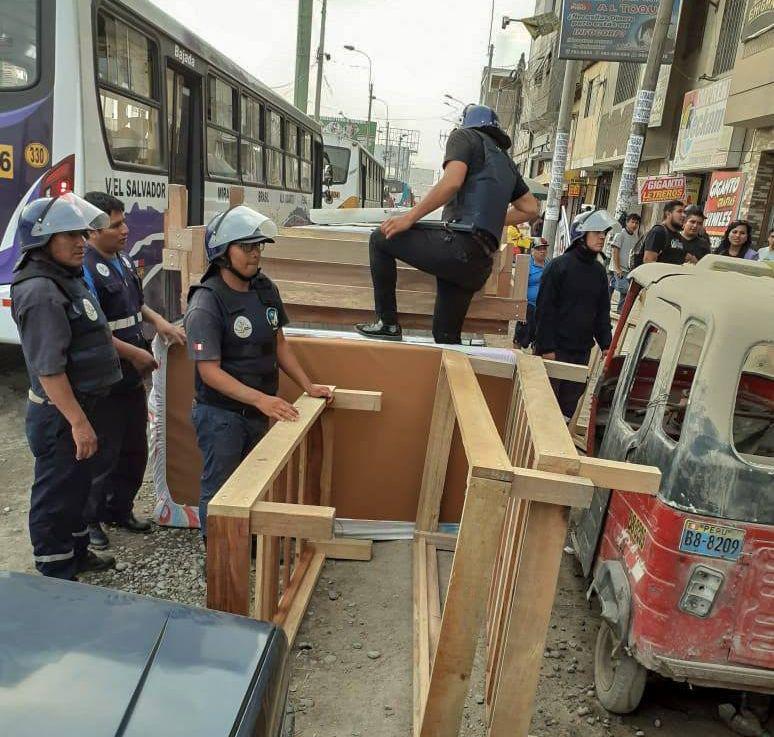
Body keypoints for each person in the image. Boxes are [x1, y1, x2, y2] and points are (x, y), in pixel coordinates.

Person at [184, 206, 333, 538]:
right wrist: (262, 400)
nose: (255, 255)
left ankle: (247, 546)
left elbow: (279, 345)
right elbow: (209, 372)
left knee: (253, 486)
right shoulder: (206, 303)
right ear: (223, 252)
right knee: (222, 490)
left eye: (259, 247)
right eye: (247, 247)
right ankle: (218, 561)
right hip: (220, 414)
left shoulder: (264, 288)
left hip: (255, 409)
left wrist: (308, 385)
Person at [355, 104, 539, 344]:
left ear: (466, 123)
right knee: (445, 337)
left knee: (380, 238)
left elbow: (452, 182)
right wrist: (490, 217)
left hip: (457, 246)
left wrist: (409, 217)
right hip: (478, 263)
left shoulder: (464, 136)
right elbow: (531, 208)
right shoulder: (506, 161)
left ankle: (387, 323)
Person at [10, 193, 121, 579]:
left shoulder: (65, 278)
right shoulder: (41, 291)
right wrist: (77, 422)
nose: (81, 242)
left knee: (77, 487)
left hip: (82, 405)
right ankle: (55, 573)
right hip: (60, 415)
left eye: (81, 233)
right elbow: (49, 369)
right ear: (42, 241)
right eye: (68, 235)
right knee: (56, 492)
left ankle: (75, 553)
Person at [80, 192, 186, 549]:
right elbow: (92, 332)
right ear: (92, 231)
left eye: (124, 221)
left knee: (134, 447)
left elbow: (137, 305)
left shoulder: (122, 261)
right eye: (116, 225)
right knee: (104, 451)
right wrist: (135, 355)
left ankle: (118, 508)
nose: (125, 230)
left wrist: (161, 323)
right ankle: (90, 519)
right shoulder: (86, 271)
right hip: (106, 378)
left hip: (130, 376)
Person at [534, 210, 616, 420]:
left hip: (580, 352)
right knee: (545, 406)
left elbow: (601, 314)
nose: (602, 237)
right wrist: (546, 348)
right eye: (597, 232)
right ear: (581, 234)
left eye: (604, 233)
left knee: (568, 407)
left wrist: (607, 345)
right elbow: (544, 311)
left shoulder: (598, 272)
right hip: (555, 350)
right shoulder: (558, 267)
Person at [513, 238, 547, 349]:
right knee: (520, 337)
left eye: (544, 249)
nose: (542, 251)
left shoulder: (550, 266)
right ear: (532, 250)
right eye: (539, 249)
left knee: (538, 341)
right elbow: (519, 288)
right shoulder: (526, 265)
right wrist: (520, 311)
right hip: (528, 307)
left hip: (542, 309)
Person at [639, 199, 686, 266]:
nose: (683, 215)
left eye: (684, 212)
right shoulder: (658, 232)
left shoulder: (678, 236)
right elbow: (648, 261)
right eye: (679, 211)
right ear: (668, 214)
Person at [609, 212, 641, 310]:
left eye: (636, 223)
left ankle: (620, 310)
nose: (634, 225)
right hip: (617, 268)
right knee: (625, 289)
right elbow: (615, 251)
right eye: (632, 222)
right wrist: (617, 268)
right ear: (627, 222)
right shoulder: (620, 234)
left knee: (620, 290)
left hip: (627, 269)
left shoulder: (636, 237)